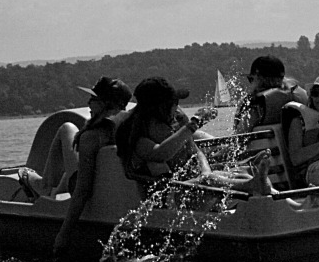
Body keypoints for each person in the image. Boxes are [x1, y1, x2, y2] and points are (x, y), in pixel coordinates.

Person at [18, 77, 133, 258]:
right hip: (110, 190)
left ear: (105, 104)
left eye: (93, 99)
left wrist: (63, 234)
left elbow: (82, 191)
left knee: (67, 128)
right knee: (74, 164)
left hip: (88, 190)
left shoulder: (91, 137)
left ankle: (43, 186)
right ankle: (53, 188)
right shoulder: (127, 127)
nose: (88, 103)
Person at [115, 76, 273, 196]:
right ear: (159, 107)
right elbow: (161, 154)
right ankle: (253, 185)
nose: (177, 107)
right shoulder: (137, 136)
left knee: (235, 172)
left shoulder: (171, 125)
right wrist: (193, 124)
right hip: (167, 194)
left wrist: (205, 170)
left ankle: (256, 183)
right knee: (208, 180)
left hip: (187, 183)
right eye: (173, 102)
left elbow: (195, 150)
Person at [233, 55, 309, 134]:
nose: (251, 83)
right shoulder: (299, 95)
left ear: (260, 79)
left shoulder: (258, 106)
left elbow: (239, 135)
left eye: (251, 79)